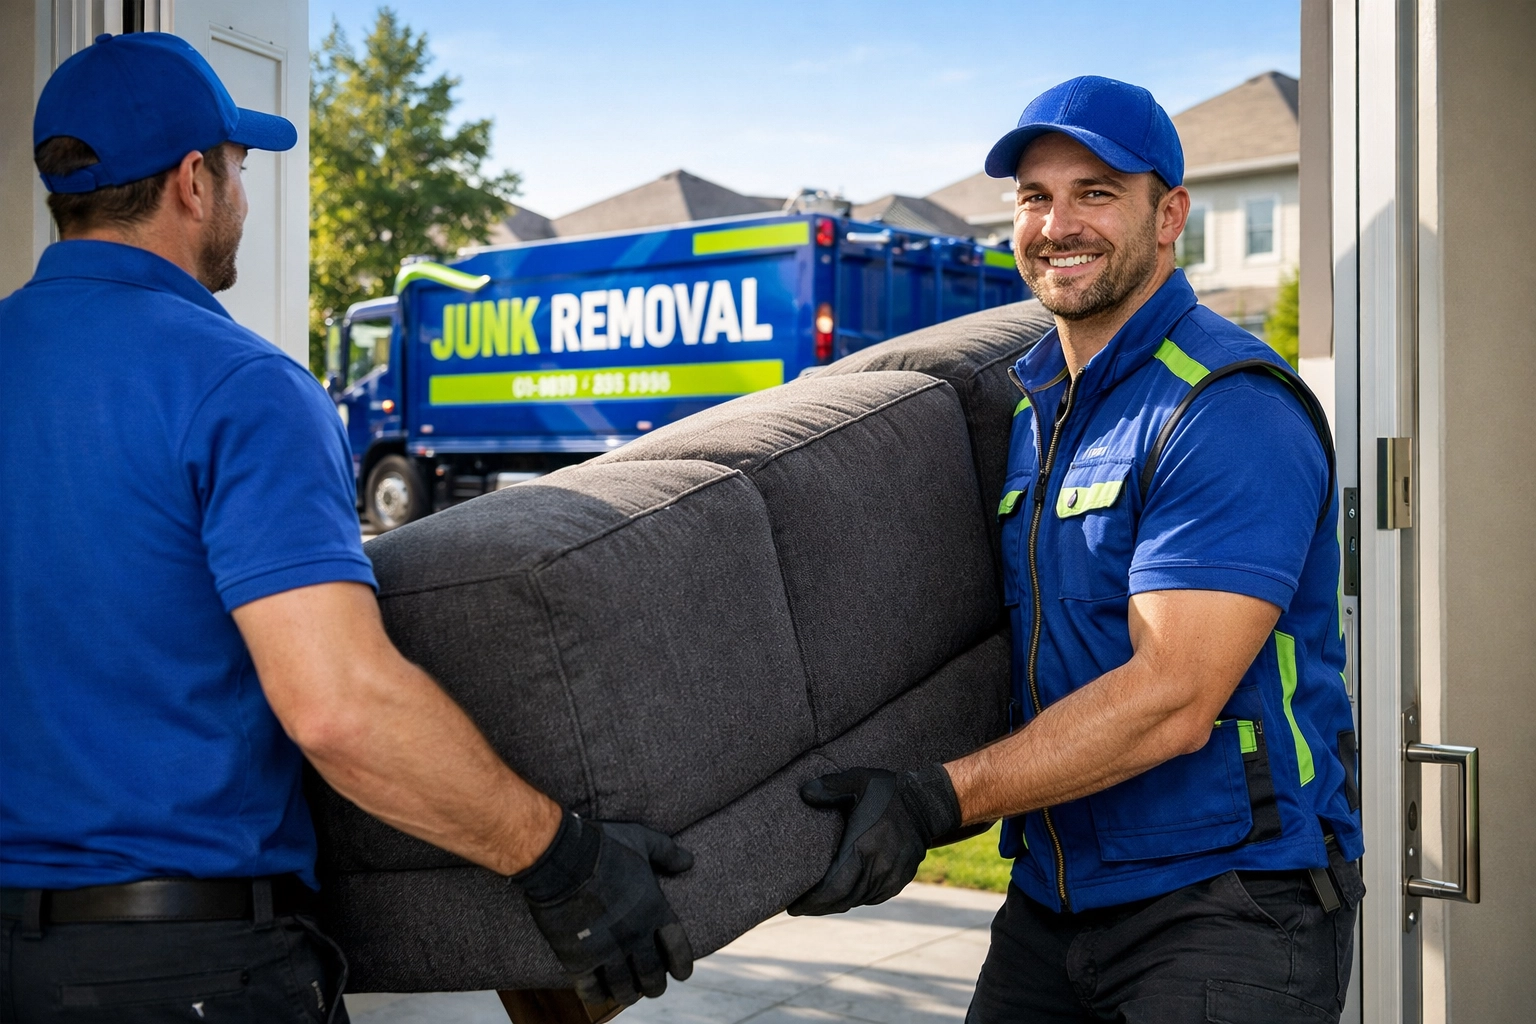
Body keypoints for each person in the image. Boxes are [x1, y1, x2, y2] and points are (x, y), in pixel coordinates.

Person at [0, 33, 690, 1022]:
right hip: (185, 974)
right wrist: (559, 857)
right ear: (192, 182)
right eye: (239, 168)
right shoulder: (240, 386)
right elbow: (339, 707)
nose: (243, 197)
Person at [790, 77, 1364, 1024]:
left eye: (1095, 192)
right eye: (1035, 197)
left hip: (1228, 906)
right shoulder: (1039, 410)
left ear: (1169, 215)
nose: (1058, 225)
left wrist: (938, 798)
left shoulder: (1224, 406)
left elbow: (1173, 696)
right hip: (1055, 900)